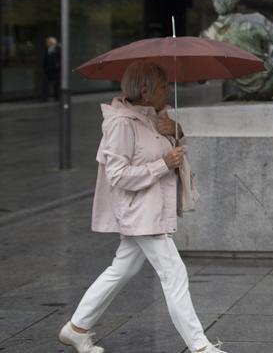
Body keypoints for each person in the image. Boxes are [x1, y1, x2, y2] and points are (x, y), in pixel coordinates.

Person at [58, 62, 227, 353]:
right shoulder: (121, 124)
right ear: (145, 91)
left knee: (122, 269)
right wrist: (162, 165)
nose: (168, 90)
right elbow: (118, 176)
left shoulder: (153, 117)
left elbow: (170, 152)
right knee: (173, 273)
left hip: (153, 209)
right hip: (140, 212)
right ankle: (200, 346)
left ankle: (76, 328)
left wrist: (177, 131)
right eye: (163, 86)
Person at [43, 36, 61, 101]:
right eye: (47, 42)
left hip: (56, 71)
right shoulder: (46, 49)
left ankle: (57, 97)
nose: (47, 43)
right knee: (46, 84)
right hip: (48, 70)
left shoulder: (58, 49)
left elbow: (60, 59)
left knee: (56, 85)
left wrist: (58, 65)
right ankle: (45, 98)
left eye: (49, 42)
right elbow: (45, 59)